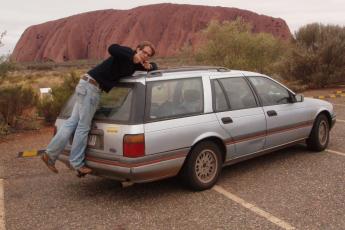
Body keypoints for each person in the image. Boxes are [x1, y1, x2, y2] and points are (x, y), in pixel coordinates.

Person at [41, 41, 158, 175]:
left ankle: (49, 155)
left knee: (72, 123)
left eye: (148, 55)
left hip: (86, 85)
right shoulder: (126, 54)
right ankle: (77, 164)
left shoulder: (136, 65)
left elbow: (155, 67)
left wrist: (150, 66)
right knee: (83, 127)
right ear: (137, 49)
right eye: (143, 52)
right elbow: (112, 48)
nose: (145, 55)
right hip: (91, 88)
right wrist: (133, 56)